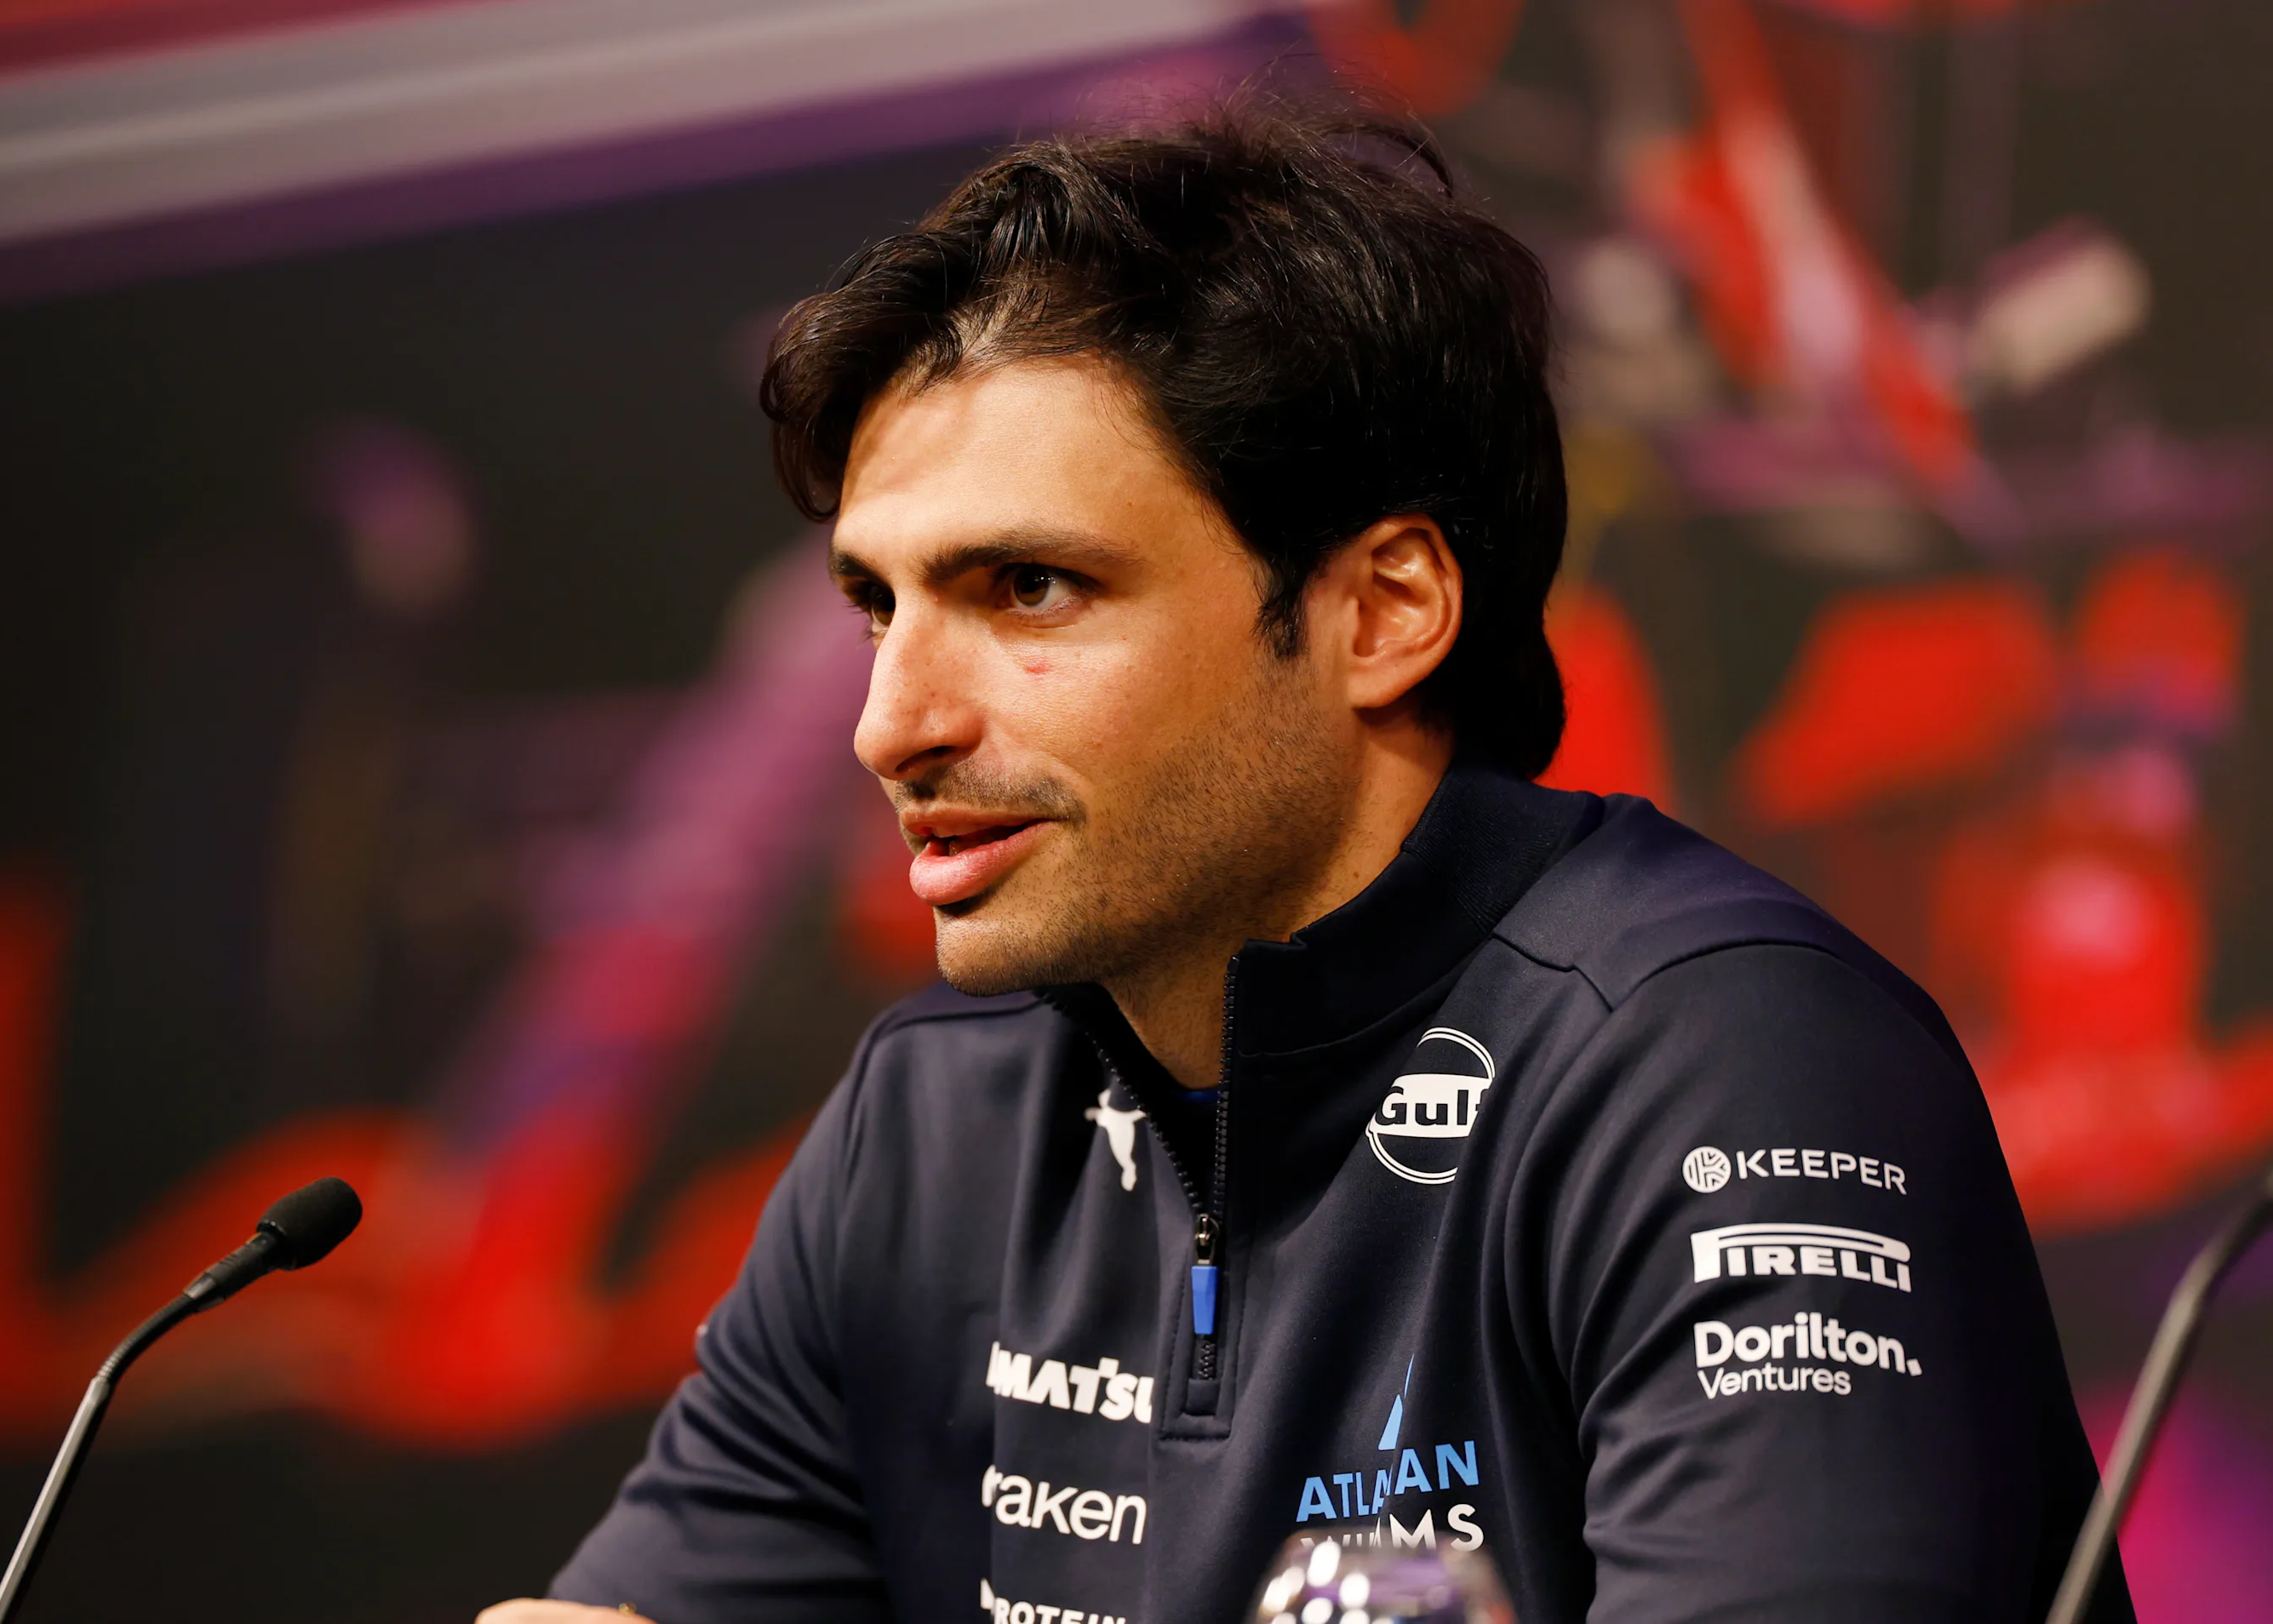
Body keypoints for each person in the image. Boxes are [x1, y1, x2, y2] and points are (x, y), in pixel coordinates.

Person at [481, 100, 2124, 1624]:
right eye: (877, 606)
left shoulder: (1732, 1062)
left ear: (1383, 613)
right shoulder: (925, 1121)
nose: (889, 726)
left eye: (1031, 589)